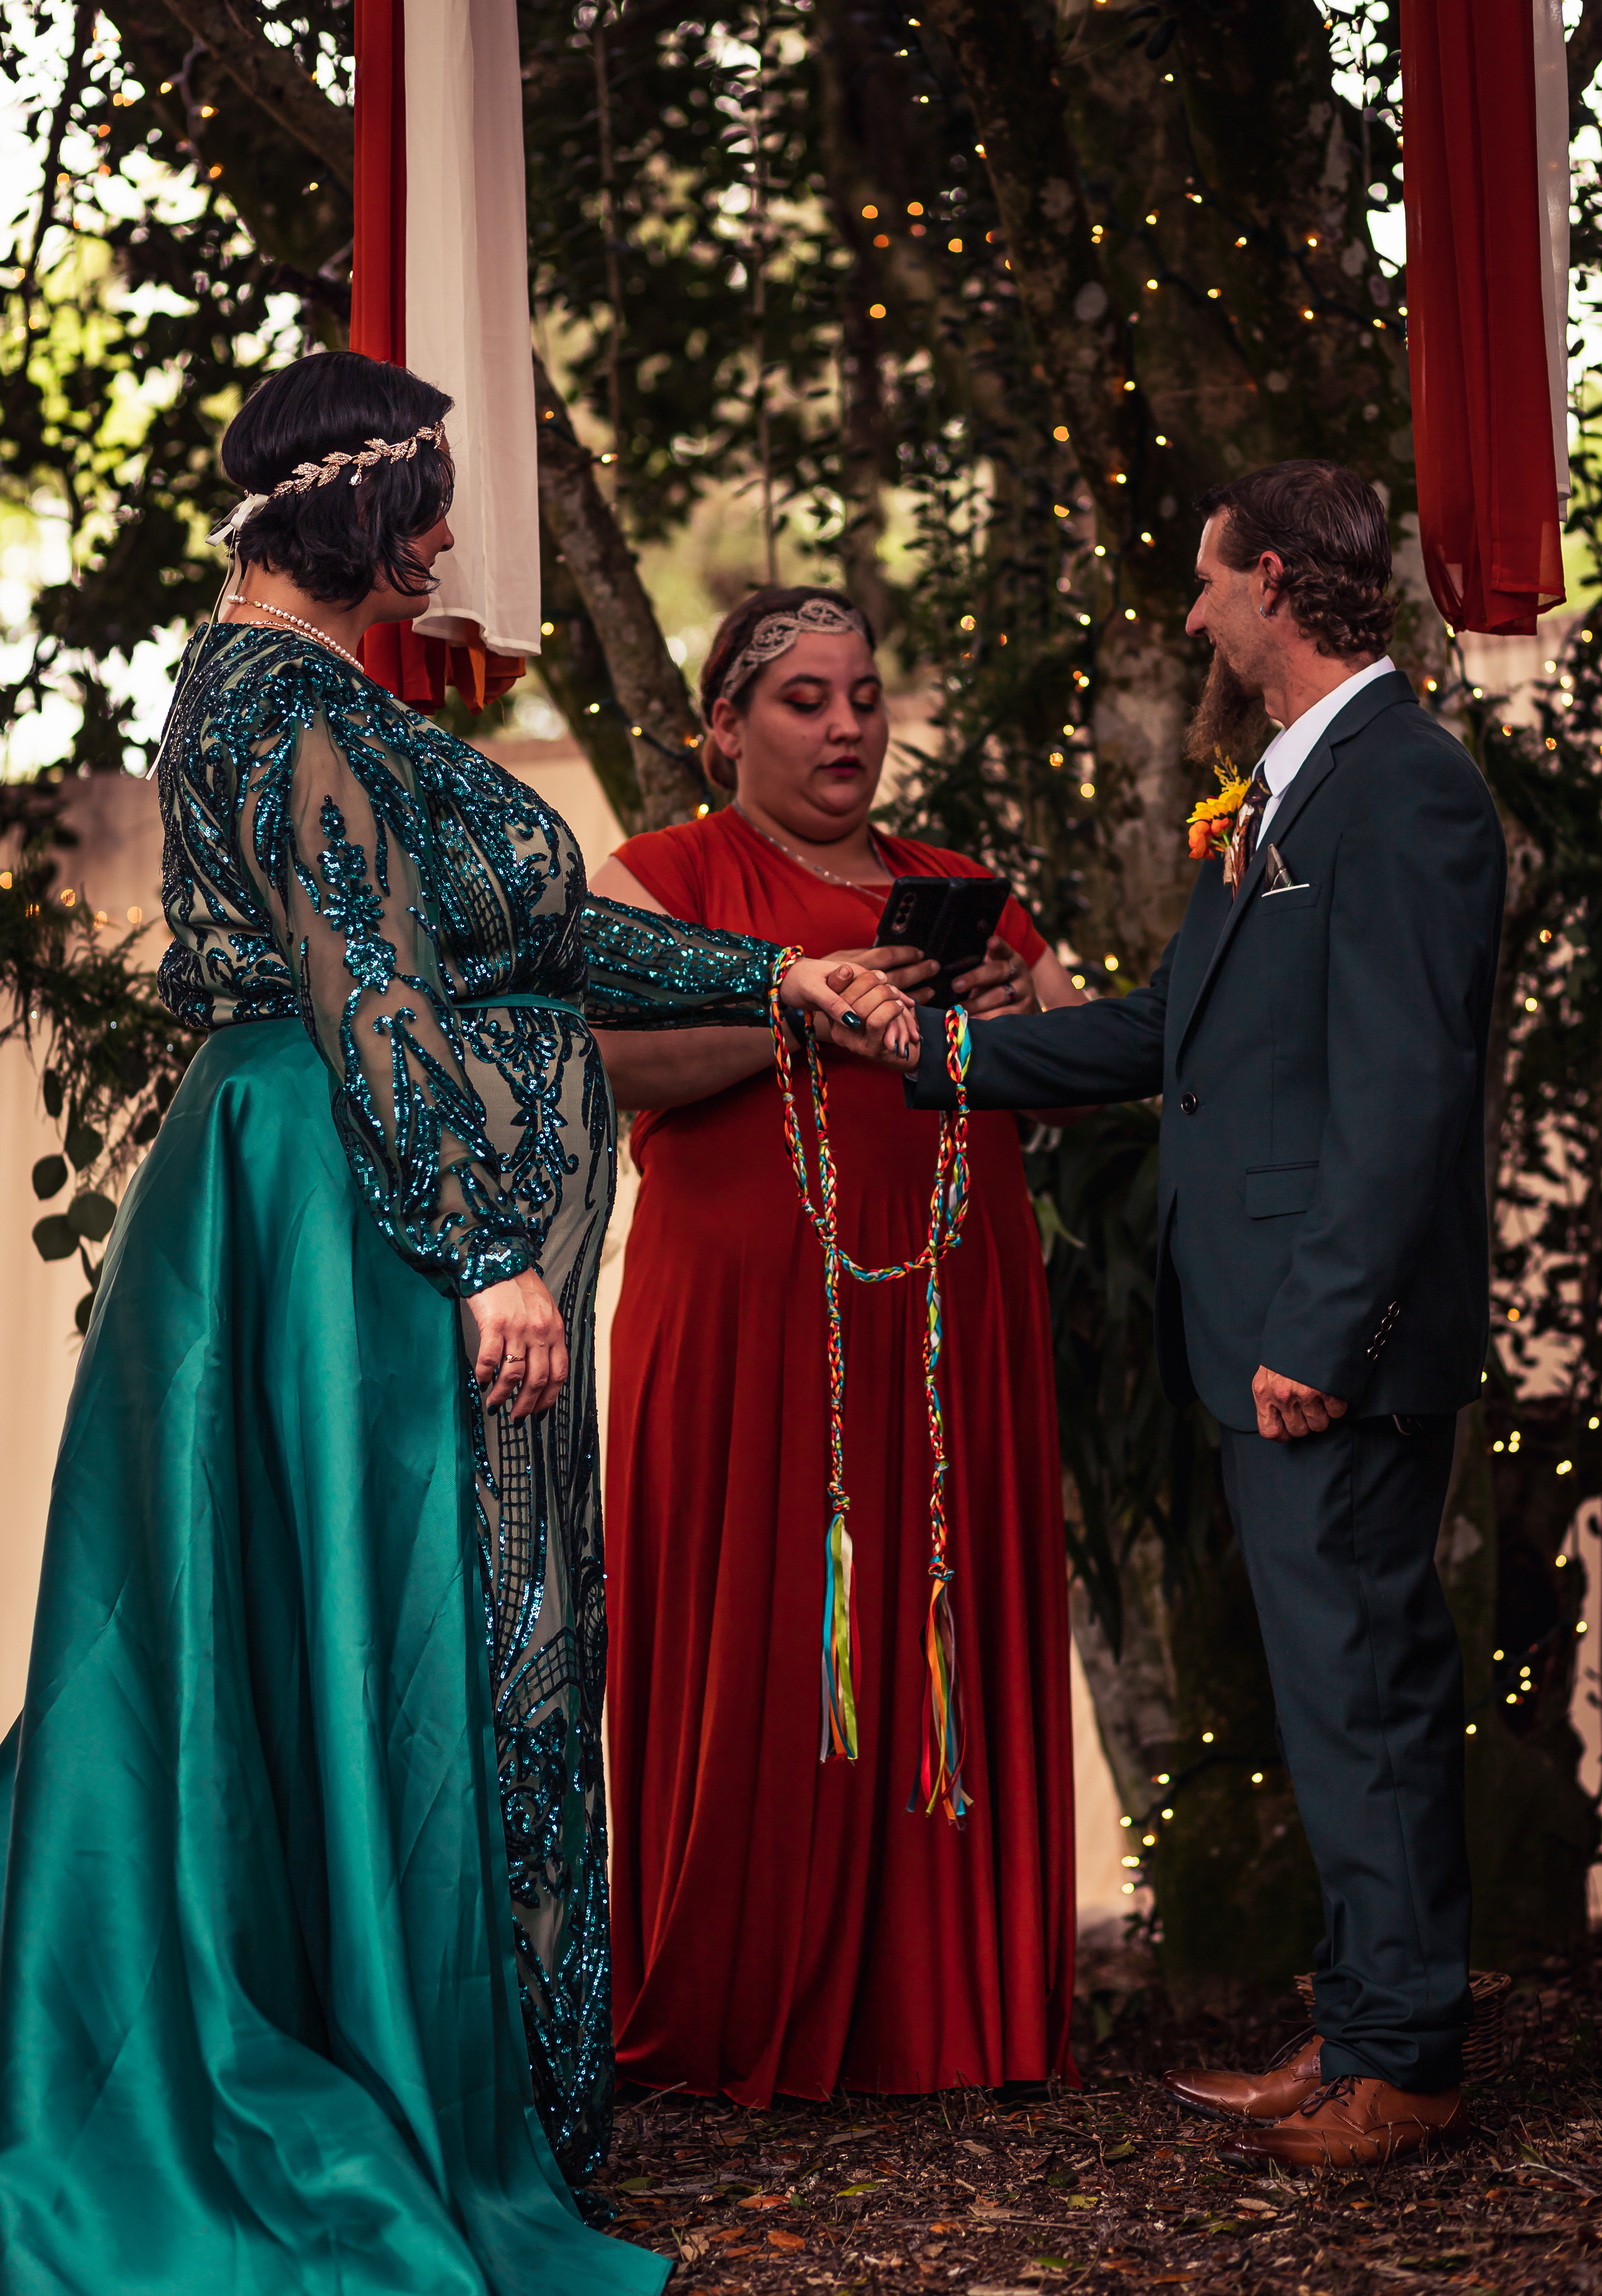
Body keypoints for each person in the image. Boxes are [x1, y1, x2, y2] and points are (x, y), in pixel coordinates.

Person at [0, 356, 912, 2293]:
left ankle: (471, 2082)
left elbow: (548, 936)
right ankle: (401, 2100)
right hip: (346, 1219)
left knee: (427, 1634)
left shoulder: (321, 694)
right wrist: (484, 1243)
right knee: (429, 1629)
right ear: (348, 514)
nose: (438, 543)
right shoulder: (279, 703)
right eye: (421, 506)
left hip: (346, 1196)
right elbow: (370, 984)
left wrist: (784, 978)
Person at [897, 462, 1505, 2170]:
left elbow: (1403, 1090)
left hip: (1331, 1339)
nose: (1191, 612)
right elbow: (1178, 1024)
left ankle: (1407, 2068)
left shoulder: (1405, 793)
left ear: (1277, 587)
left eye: (1205, 581)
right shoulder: (1292, 794)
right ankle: (1363, 2022)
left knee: (1368, 1685)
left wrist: (1319, 1331)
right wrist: (948, 1063)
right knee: (1331, 1688)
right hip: (1275, 1322)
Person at [590, 585, 1082, 2104]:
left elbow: (1062, 1071)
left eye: (865, 695)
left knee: (937, 1633)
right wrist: (800, 1016)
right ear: (726, 726)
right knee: (760, 1645)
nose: (849, 726)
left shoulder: (957, 886)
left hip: (945, 1331)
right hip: (745, 1337)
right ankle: (736, 2014)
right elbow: (603, 1062)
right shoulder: (665, 872)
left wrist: (1004, 1012)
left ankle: (952, 2017)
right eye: (806, 701)